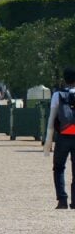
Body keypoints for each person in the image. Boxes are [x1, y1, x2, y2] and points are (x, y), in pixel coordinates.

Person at [44, 67, 75, 209]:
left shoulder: (58, 95)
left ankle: (62, 200)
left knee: (58, 168)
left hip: (63, 135)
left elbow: (51, 119)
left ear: (64, 79)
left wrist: (48, 142)